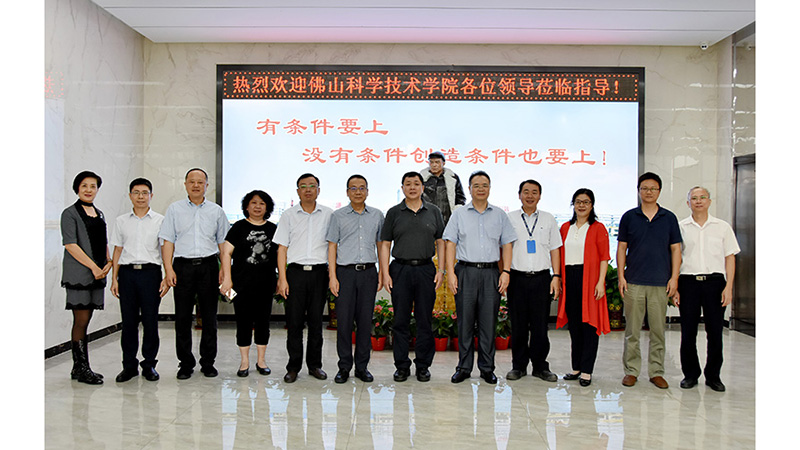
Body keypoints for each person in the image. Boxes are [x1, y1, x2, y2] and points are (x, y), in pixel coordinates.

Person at [443, 171, 516, 385]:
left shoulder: (499, 215)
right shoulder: (459, 214)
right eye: (476, 185)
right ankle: (464, 367)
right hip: (465, 271)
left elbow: (507, 244)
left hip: (491, 273)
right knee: (465, 322)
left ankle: (487, 368)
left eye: (484, 185)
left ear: (490, 188)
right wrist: (450, 273)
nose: (481, 189)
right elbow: (450, 244)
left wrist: (506, 271)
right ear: (469, 189)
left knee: (488, 323)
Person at [159, 168, 230, 380]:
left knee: (209, 317)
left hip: (209, 266)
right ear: (185, 184)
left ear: (207, 185)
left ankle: (208, 363)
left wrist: (224, 270)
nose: (196, 185)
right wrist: (168, 269)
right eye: (192, 181)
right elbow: (167, 241)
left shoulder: (216, 211)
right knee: (182, 318)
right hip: (182, 267)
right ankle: (185, 364)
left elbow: (224, 244)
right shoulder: (174, 209)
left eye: (200, 182)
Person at [617, 172, 682, 389]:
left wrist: (674, 278)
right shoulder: (629, 217)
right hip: (634, 281)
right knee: (632, 331)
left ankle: (656, 372)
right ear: (638, 191)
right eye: (644, 188)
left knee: (658, 331)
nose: (649, 192)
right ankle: (631, 371)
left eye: (653, 188)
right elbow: (622, 248)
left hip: (660, 283)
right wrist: (621, 276)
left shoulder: (669, 218)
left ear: (659, 191)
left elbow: (676, 249)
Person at [380, 171, 446, 382]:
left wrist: (441, 270)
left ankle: (423, 366)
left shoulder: (433, 211)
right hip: (400, 270)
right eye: (408, 184)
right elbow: (385, 244)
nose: (412, 187)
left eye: (416, 184)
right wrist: (385, 273)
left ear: (422, 187)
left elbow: (441, 242)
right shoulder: (394, 212)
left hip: (426, 269)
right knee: (400, 320)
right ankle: (401, 366)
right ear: (402, 188)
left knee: (424, 320)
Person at [674, 187, 740, 392]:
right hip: (688, 283)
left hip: (715, 283)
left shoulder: (722, 227)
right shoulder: (680, 227)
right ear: (688, 203)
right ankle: (690, 374)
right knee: (688, 331)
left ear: (709, 201)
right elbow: (675, 258)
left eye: (703, 197)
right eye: (694, 198)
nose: (699, 201)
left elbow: (730, 257)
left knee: (715, 332)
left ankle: (713, 376)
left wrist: (729, 287)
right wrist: (675, 286)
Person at [274, 173, 333, 383]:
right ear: (297, 191)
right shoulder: (288, 215)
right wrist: (282, 278)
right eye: (303, 186)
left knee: (316, 322)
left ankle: (315, 365)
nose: (308, 189)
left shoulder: (328, 214)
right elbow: (282, 249)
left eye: (312, 186)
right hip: (295, 273)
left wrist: (332, 276)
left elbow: (333, 247)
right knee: (294, 323)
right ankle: (293, 367)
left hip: (319, 273)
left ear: (319, 190)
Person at [109, 178, 170, 382]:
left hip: (151, 274)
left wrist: (166, 276)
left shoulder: (160, 220)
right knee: (128, 322)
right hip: (127, 274)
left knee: (150, 321)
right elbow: (117, 250)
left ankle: (149, 364)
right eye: (136, 192)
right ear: (130, 196)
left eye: (145, 193)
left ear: (151, 196)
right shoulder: (121, 221)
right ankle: (129, 366)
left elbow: (165, 250)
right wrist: (114, 278)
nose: (141, 196)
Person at [326, 175, 385, 384]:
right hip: (345, 273)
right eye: (353, 188)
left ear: (367, 191)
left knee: (365, 322)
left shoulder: (377, 215)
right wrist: (332, 276)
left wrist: (382, 272)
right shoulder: (338, 216)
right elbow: (332, 246)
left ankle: (362, 367)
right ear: (347, 192)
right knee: (343, 322)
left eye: (362, 188)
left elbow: (381, 245)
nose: (358, 192)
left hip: (368, 273)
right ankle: (344, 367)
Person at [505, 179, 562, 382]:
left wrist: (556, 276)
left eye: (534, 192)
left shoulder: (548, 219)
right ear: (519, 194)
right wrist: (504, 273)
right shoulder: (510, 218)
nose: (530, 196)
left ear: (540, 196)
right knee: (518, 325)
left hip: (541, 278)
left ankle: (540, 366)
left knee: (540, 326)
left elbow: (555, 249)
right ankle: (518, 366)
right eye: (526, 192)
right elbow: (504, 248)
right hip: (517, 278)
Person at [219, 190, 278, 378]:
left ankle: (261, 361)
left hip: (266, 284)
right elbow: (226, 253)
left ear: (267, 207)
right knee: (243, 322)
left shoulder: (273, 229)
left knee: (263, 322)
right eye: (253, 202)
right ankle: (244, 362)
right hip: (241, 284)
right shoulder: (238, 227)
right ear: (246, 206)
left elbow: (280, 255)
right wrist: (227, 278)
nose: (257, 206)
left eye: (262, 203)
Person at [61, 171, 112, 385]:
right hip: (80, 274)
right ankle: (82, 368)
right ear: (77, 188)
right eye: (84, 186)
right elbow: (70, 244)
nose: (89, 190)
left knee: (87, 319)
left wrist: (108, 261)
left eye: (93, 186)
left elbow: (103, 241)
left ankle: (78, 367)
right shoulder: (69, 213)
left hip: (97, 273)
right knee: (81, 321)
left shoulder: (99, 213)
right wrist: (93, 267)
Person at [556, 188, 611, 387]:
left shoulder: (598, 228)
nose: (581, 205)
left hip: (589, 280)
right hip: (569, 279)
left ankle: (587, 370)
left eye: (586, 202)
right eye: (578, 202)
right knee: (575, 325)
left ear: (592, 205)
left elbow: (604, 257)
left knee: (589, 326)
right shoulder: (565, 227)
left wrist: (600, 282)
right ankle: (576, 367)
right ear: (573, 204)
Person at [420, 151, 466, 224]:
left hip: (448, 219)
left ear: (443, 163)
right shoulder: (422, 178)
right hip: (426, 218)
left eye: (437, 162)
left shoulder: (452, 178)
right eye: (431, 162)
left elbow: (460, 198)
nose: (434, 165)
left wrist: (456, 212)